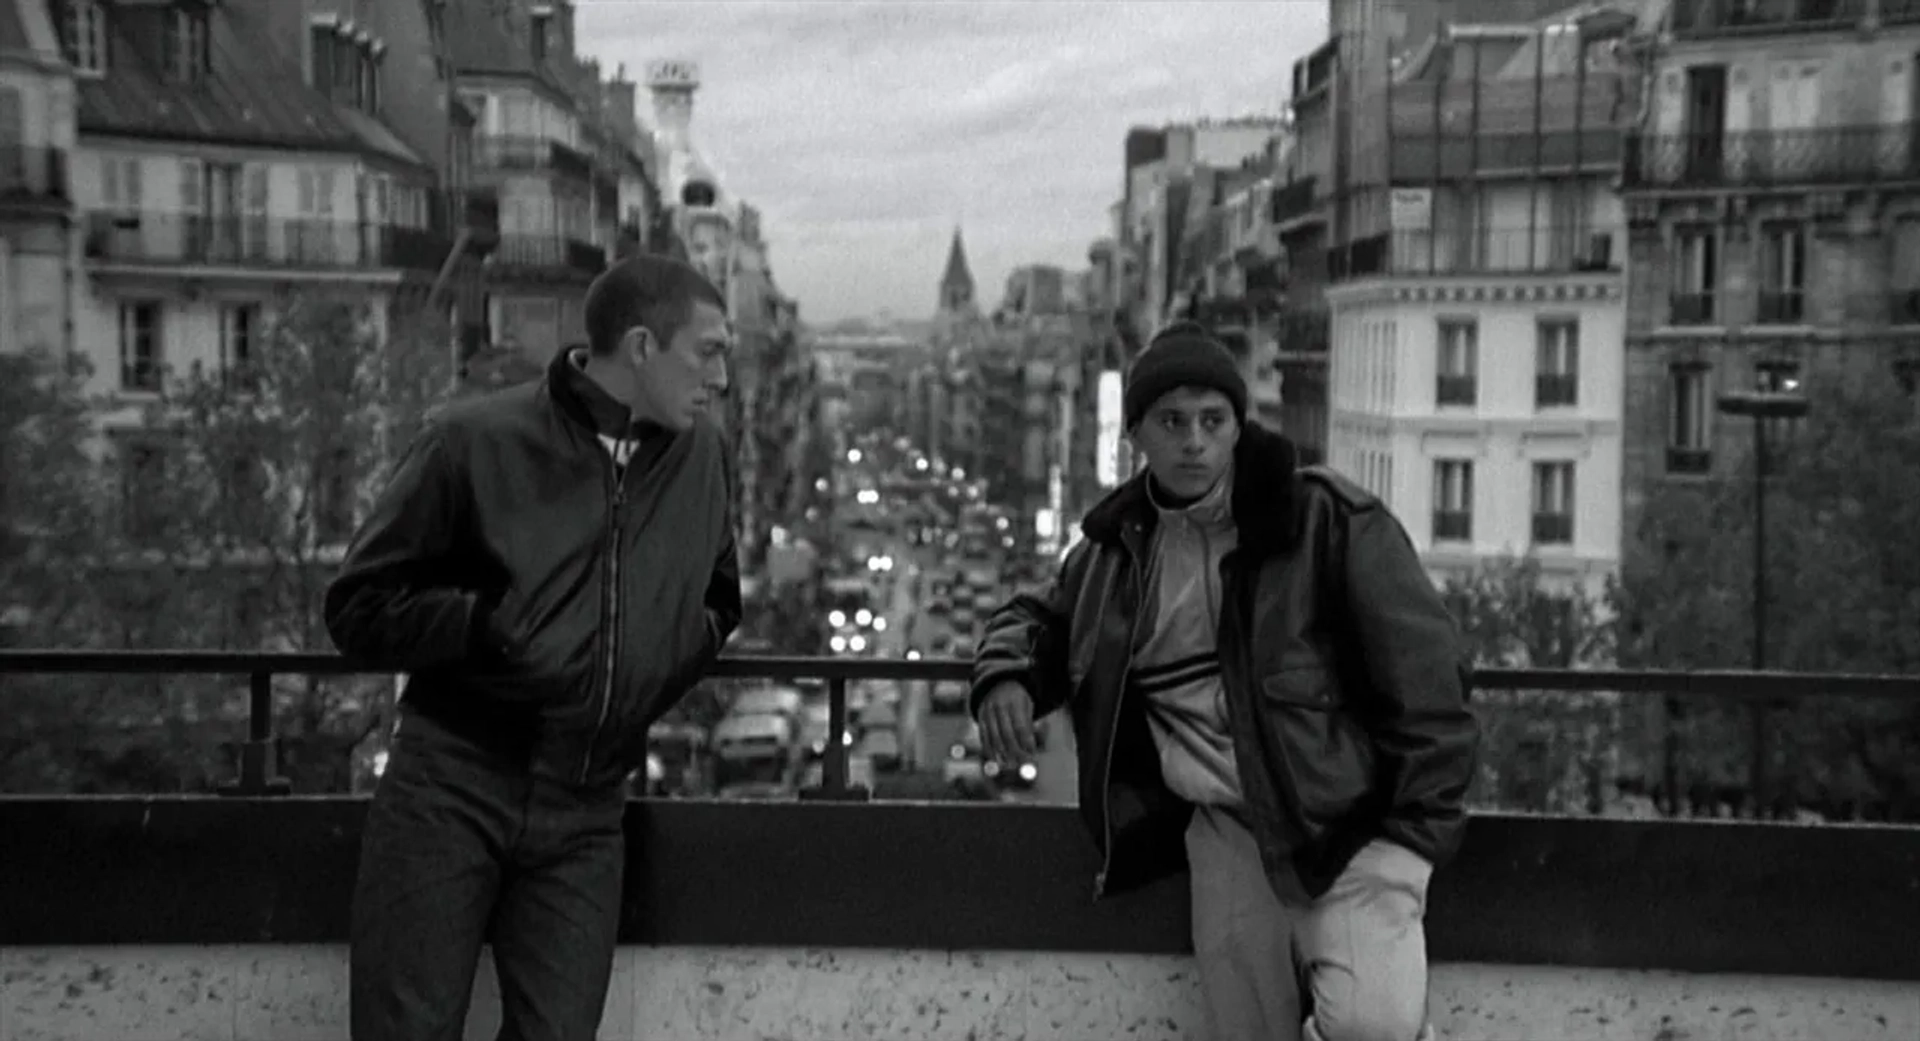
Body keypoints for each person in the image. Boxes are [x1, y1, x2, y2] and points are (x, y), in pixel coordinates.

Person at [971, 320, 1479, 1041]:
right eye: (1171, 422)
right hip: (1226, 834)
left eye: (1213, 421)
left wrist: (1407, 836)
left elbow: (1430, 678)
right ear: (1135, 434)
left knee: (1373, 1027)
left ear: (1239, 427)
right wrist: (1006, 676)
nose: (1194, 441)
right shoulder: (1112, 557)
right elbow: (1041, 618)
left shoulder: (1326, 522)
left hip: (1346, 827)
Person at [323, 255, 742, 1041]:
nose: (719, 376)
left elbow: (718, 596)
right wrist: (490, 628)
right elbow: (357, 606)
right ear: (643, 346)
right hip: (452, 788)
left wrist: (658, 663)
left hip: (589, 808)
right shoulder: (471, 442)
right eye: (708, 350)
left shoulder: (703, 458)